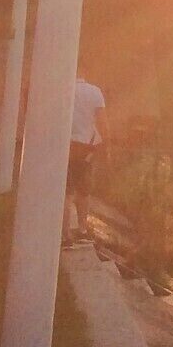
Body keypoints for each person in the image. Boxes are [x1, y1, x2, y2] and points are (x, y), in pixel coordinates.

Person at [65, 77, 107, 239]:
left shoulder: (60, 90)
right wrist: (107, 145)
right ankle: (82, 229)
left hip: (64, 145)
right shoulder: (94, 91)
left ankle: (65, 233)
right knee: (83, 190)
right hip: (86, 147)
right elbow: (102, 121)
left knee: (66, 191)